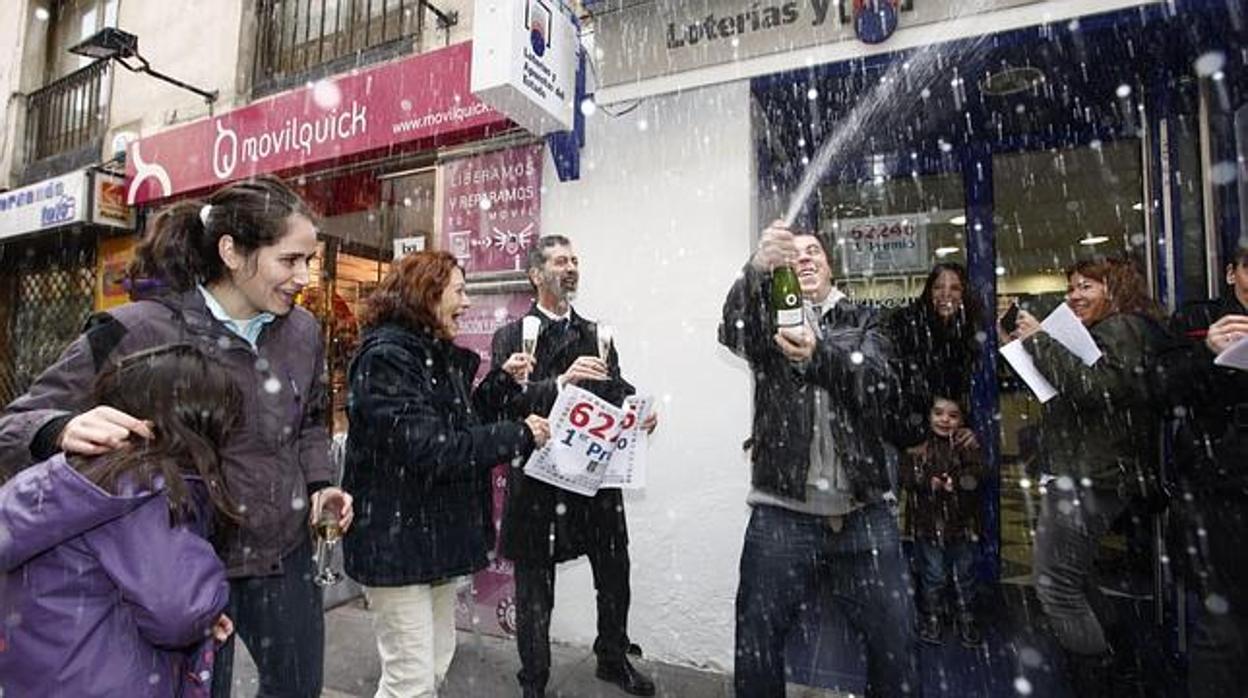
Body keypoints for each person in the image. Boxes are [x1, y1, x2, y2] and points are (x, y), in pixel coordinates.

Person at [0, 175, 353, 698]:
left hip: (282, 554)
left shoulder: (302, 331)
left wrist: (320, 483)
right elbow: (16, 423)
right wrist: (59, 427)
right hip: (179, 563)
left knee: (298, 688)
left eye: (309, 260)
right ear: (231, 252)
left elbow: (310, 419)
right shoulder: (135, 329)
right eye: (289, 260)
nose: (303, 276)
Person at [719, 221, 918, 697]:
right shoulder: (769, 322)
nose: (804, 258)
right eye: (793, 254)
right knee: (758, 638)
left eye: (814, 252)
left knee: (896, 641)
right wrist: (755, 268)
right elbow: (732, 329)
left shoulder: (865, 320)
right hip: (781, 512)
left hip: (865, 511)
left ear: (831, 266)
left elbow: (879, 385)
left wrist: (818, 354)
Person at [341, 251, 551, 698]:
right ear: (427, 295)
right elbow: (431, 449)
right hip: (396, 545)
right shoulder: (387, 359)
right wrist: (519, 434)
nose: (467, 302)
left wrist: (500, 382)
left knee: (434, 665)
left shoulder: (431, 356)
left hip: (428, 540)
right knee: (410, 680)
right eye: (459, 291)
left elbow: (459, 425)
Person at [474, 235, 658, 698]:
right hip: (538, 480)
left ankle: (612, 659)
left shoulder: (597, 332)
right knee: (535, 589)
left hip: (595, 479)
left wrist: (638, 413)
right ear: (536, 274)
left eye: (575, 259)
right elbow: (505, 405)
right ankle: (534, 680)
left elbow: (615, 389)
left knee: (614, 571)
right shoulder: (511, 336)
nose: (571, 267)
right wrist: (560, 383)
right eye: (560, 261)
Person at [0, 343, 238, 696]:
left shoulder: (69, 479)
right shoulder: (145, 492)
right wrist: (206, 611)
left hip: (43, 677)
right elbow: (177, 610)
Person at [1006, 256, 1165, 696]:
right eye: (1072, 287)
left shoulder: (1122, 328)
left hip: (1090, 476)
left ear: (1116, 289)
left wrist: (1040, 342)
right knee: (1075, 576)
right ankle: (1118, 662)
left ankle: (1096, 680)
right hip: (1088, 472)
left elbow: (1097, 390)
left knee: (1055, 585)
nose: (1075, 296)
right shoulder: (1114, 329)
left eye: (1086, 287)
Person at [1159, 244, 1248, 698]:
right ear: (1232, 273)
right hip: (1219, 495)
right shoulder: (1199, 320)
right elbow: (1161, 390)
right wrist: (1206, 352)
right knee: (1224, 628)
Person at [901, 396, 984, 648]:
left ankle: (965, 616)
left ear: (962, 420)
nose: (944, 420)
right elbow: (907, 477)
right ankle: (933, 616)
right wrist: (928, 482)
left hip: (961, 523)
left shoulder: (967, 445)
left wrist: (956, 482)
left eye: (953, 415)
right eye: (938, 413)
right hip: (928, 523)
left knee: (964, 575)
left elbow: (978, 472)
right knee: (933, 574)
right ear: (928, 416)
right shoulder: (918, 446)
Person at [885, 262, 983, 446]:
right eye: (938, 287)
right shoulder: (906, 326)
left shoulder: (972, 331)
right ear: (929, 291)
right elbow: (895, 387)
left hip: (953, 438)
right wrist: (911, 436)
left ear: (964, 294)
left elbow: (972, 387)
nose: (946, 294)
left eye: (955, 288)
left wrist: (972, 426)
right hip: (909, 437)